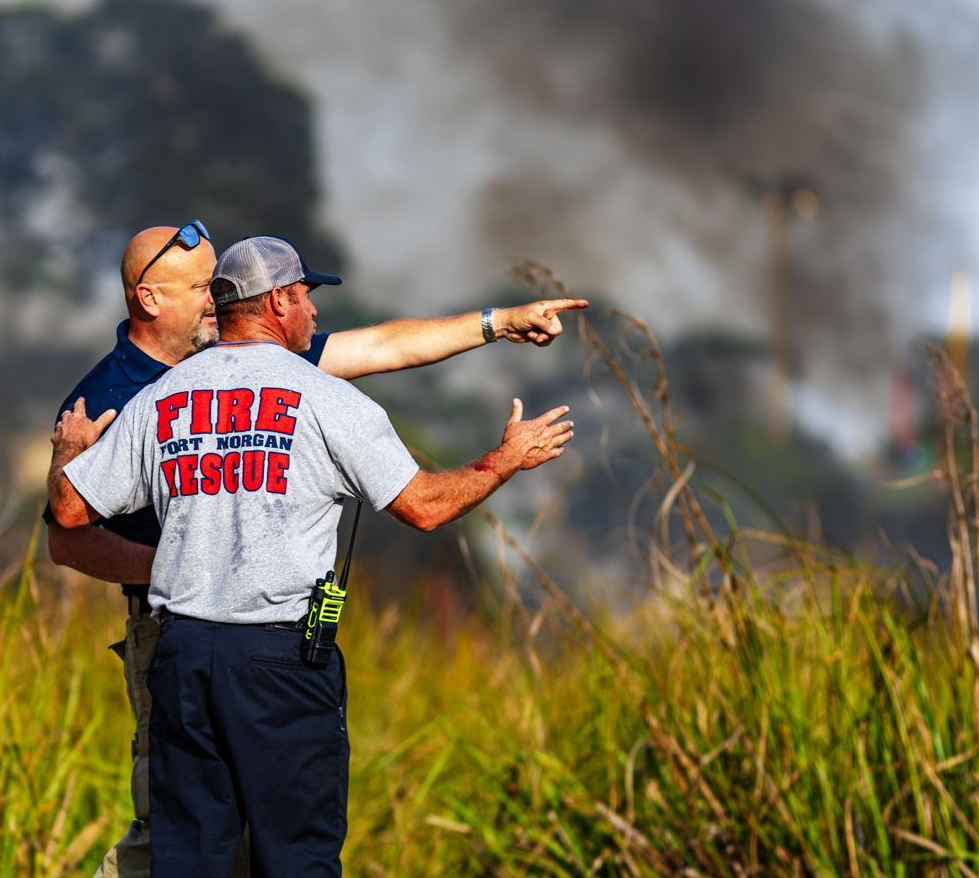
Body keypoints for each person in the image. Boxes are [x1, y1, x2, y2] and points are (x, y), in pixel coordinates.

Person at [45, 221, 587, 878]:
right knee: (292, 854)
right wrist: (506, 459)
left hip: (185, 653)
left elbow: (69, 506)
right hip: (272, 654)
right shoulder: (315, 398)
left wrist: (499, 321)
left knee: (189, 858)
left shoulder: (163, 396)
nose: (315, 308)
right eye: (305, 295)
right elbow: (423, 506)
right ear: (276, 305)